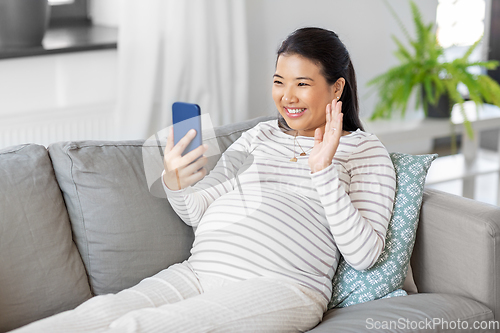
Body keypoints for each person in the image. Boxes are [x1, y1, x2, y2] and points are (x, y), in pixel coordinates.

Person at [13, 27, 396, 333]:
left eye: (302, 83)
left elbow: (364, 254)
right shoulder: (259, 136)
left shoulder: (365, 151)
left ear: (337, 87)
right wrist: (177, 180)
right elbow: (199, 211)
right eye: (279, 81)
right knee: (88, 318)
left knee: (138, 328)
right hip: (199, 272)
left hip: (281, 287)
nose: (286, 96)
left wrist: (323, 171)